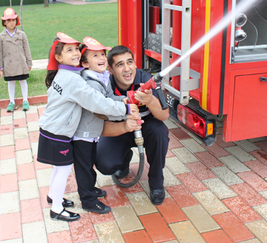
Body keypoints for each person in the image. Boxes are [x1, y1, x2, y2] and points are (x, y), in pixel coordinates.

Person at [37, 32, 138, 222]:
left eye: (76, 49)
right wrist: (124, 108)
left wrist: (121, 102)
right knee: (66, 169)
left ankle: (55, 196)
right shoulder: (75, 80)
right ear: (58, 57)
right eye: (70, 50)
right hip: (61, 133)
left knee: (62, 169)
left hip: (55, 130)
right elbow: (97, 103)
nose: (75, 52)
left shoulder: (66, 74)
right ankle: (64, 207)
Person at [95, 45, 170, 205]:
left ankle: (156, 182)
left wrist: (150, 100)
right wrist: (125, 126)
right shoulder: (105, 86)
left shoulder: (146, 81)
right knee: (104, 164)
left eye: (130, 62)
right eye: (120, 64)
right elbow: (101, 128)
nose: (127, 69)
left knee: (159, 132)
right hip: (119, 129)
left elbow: (164, 115)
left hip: (146, 128)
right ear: (111, 70)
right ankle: (123, 160)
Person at [73, 37, 129, 214]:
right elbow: (100, 107)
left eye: (103, 54)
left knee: (88, 164)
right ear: (85, 63)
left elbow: (109, 99)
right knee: (84, 167)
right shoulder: (91, 83)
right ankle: (88, 200)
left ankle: (90, 189)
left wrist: (123, 99)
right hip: (82, 133)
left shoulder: (101, 77)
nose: (102, 58)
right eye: (95, 55)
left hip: (92, 131)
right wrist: (125, 109)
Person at [0, 8, 33, 112]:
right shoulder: (1, 36)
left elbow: (27, 49)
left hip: (21, 63)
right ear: (4, 22)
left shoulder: (21, 34)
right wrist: (0, 67)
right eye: (8, 20)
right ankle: (11, 101)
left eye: (13, 20)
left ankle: (25, 100)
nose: (11, 23)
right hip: (9, 64)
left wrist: (29, 62)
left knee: (23, 81)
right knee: (11, 82)